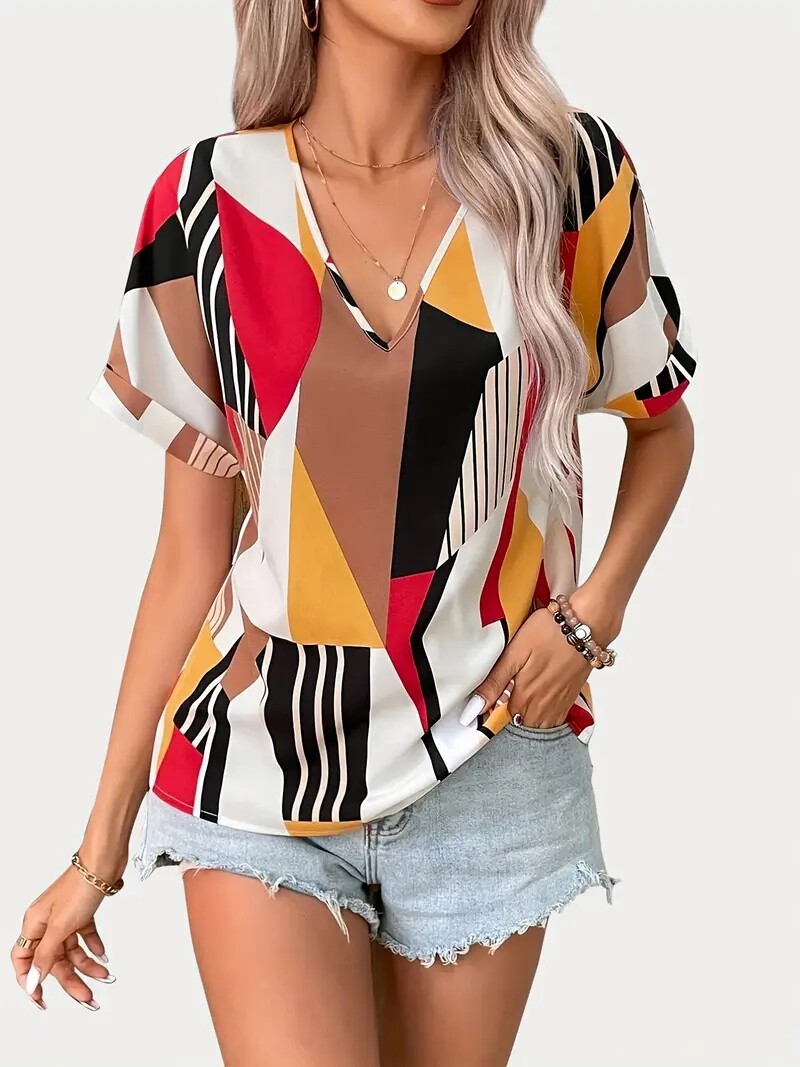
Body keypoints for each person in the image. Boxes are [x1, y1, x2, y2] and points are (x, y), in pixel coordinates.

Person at [11, 1, 697, 1064]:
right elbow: (190, 555)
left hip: (489, 758)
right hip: (258, 757)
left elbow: (662, 425)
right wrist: (96, 850)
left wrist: (589, 614)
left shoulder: (564, 177)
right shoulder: (204, 204)